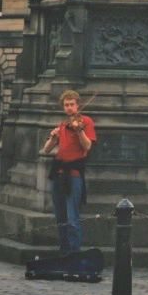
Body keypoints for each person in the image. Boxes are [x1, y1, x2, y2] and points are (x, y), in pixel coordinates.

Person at [41, 90, 96, 255]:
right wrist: (52, 137)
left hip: (74, 175)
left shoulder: (85, 121)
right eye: (66, 105)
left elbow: (87, 146)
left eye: (72, 104)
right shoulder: (63, 125)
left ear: (77, 105)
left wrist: (79, 130)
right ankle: (64, 251)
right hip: (58, 174)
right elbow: (46, 150)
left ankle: (74, 253)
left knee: (73, 218)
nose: (69, 108)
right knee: (60, 217)